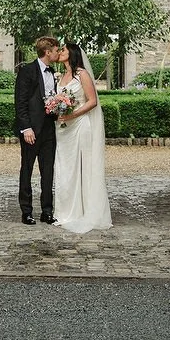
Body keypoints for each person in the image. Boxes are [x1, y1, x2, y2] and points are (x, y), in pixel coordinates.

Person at [52, 41, 112, 233]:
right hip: (62, 129)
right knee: (64, 168)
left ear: (72, 53)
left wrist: (72, 115)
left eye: (63, 49)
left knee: (82, 167)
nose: (60, 52)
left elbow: (92, 101)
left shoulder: (81, 74)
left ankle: (83, 211)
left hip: (79, 125)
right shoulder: (61, 76)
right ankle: (64, 211)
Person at [14, 35, 61, 225]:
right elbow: (20, 101)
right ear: (47, 52)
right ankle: (26, 211)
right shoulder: (27, 71)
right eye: (56, 50)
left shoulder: (55, 72)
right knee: (27, 169)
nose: (58, 53)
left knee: (47, 171)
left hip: (50, 128)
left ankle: (47, 211)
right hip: (31, 130)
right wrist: (26, 128)